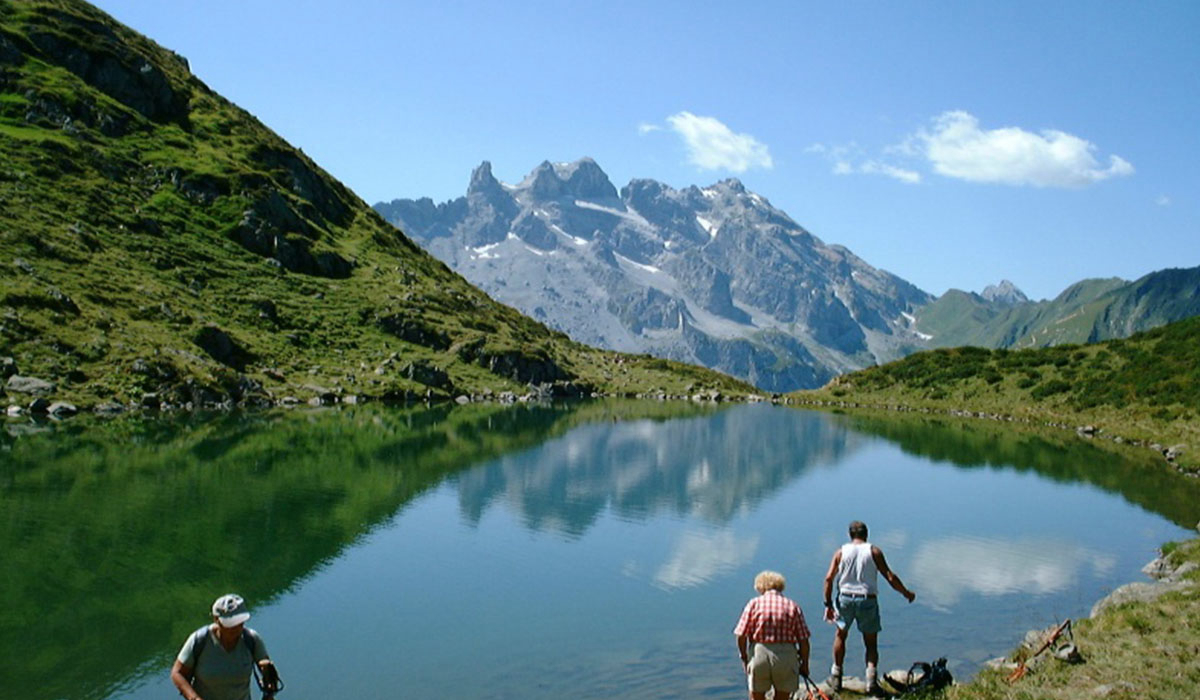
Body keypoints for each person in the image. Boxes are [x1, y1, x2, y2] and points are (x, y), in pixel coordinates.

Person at [822, 520, 915, 694]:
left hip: (845, 599)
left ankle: (836, 677)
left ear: (850, 535)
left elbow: (828, 579)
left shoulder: (841, 552)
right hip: (867, 600)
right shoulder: (874, 551)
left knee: (841, 636)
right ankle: (871, 680)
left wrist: (827, 603)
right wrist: (906, 593)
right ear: (866, 534)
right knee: (871, 643)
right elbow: (890, 577)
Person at [170, 593, 280, 700]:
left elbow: (267, 671)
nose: (236, 628)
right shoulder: (199, 640)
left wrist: (269, 683)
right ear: (216, 619)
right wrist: (194, 698)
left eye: (240, 623)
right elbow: (178, 673)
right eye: (230, 624)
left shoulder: (251, 640)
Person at [734, 570, 811, 700]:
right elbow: (804, 640)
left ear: (760, 587)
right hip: (786, 656)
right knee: (782, 696)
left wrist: (744, 657)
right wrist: (804, 664)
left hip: (759, 653)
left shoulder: (753, 604)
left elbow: (741, 635)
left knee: (756, 695)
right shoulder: (792, 606)